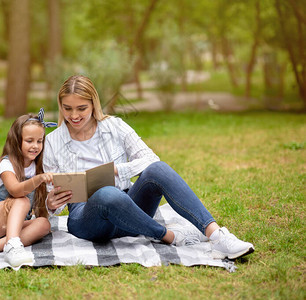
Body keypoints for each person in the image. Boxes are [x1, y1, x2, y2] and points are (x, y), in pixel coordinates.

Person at [43, 75, 255, 260]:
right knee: (107, 194)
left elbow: (149, 157)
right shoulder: (52, 142)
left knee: (158, 169)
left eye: (82, 108)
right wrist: (52, 204)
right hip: (88, 219)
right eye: (67, 108)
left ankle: (217, 236)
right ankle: (168, 236)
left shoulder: (114, 126)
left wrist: (118, 170)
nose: (74, 116)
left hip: (130, 210)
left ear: (94, 104)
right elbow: (48, 199)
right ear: (60, 106)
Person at [0, 109, 56, 267]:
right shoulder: (7, 164)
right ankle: (12, 246)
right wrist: (37, 179)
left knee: (43, 224)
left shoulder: (39, 167)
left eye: (39, 141)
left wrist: (51, 203)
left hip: (13, 226)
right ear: (16, 140)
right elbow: (15, 190)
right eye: (29, 141)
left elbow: (40, 207)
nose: (35, 146)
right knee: (22, 201)